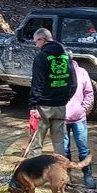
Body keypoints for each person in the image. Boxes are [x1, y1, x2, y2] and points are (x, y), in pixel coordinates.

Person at [30, 27, 77, 156]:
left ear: (42, 39)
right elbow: (73, 81)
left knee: (36, 142)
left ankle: (34, 173)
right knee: (59, 143)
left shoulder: (41, 57)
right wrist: (66, 98)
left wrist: (33, 105)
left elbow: (37, 82)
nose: (36, 45)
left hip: (43, 106)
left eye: (36, 42)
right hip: (60, 105)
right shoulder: (66, 55)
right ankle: (62, 172)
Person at [63, 58, 97, 189]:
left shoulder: (82, 72)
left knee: (83, 148)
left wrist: (83, 109)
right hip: (61, 119)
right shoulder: (56, 73)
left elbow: (89, 93)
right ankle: (66, 177)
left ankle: (88, 176)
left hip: (79, 118)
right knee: (64, 150)